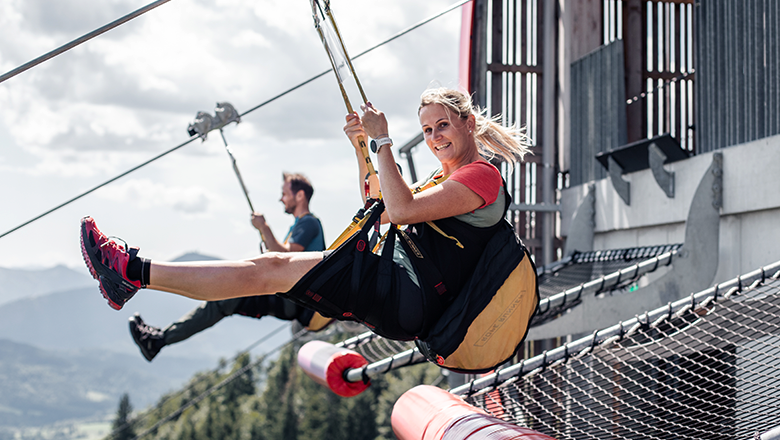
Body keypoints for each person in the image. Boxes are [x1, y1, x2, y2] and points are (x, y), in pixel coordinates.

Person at [80, 87, 529, 345]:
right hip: (398, 291)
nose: (434, 137)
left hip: (406, 295)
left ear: (468, 125)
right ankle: (133, 273)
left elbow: (400, 209)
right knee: (266, 270)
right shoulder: (442, 180)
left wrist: (384, 141)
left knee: (268, 270)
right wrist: (362, 146)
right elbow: (379, 202)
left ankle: (132, 273)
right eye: (428, 130)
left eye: (443, 125)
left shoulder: (482, 177)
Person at [127, 173, 326, 361]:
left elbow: (287, 255)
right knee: (222, 299)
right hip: (289, 296)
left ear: (300, 195)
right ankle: (160, 339)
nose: (281, 199)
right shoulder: (300, 226)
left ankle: (159, 340)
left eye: (285, 194)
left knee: (221, 299)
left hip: (292, 299)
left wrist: (264, 228)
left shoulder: (309, 223)